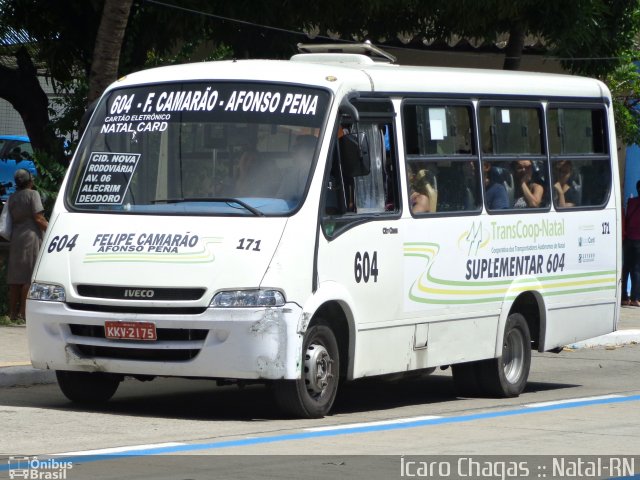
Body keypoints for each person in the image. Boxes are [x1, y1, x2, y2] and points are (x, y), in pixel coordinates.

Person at [6, 169, 48, 322]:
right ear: (30, 180)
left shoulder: (12, 197)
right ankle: (24, 314)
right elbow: (39, 218)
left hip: (16, 238)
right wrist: (51, 230)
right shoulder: (33, 194)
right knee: (28, 278)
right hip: (31, 237)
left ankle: (12, 314)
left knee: (15, 278)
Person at [623, 180, 640, 306]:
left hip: (628, 239)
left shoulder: (631, 202)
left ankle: (624, 297)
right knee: (637, 269)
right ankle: (635, 298)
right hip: (638, 241)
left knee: (626, 268)